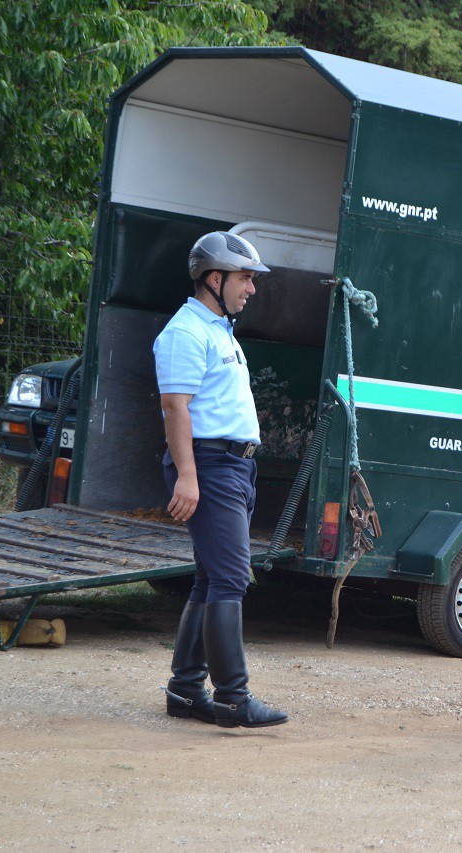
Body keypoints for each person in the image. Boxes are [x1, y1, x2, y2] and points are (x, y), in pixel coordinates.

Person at [156, 231, 288, 729]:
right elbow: (175, 406)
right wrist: (187, 477)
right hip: (209, 465)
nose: (251, 289)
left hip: (233, 464)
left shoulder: (219, 331)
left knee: (211, 577)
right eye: (245, 278)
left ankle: (186, 691)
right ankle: (233, 699)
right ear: (215, 279)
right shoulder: (186, 333)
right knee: (232, 577)